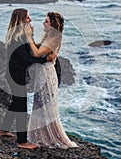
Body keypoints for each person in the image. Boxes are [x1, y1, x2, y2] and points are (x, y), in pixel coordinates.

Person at [0, 8, 54, 149]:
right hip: (15, 75)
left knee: (16, 103)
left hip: (14, 73)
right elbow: (27, 59)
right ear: (21, 20)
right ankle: (22, 141)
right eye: (28, 18)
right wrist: (45, 59)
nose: (30, 20)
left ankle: (3, 130)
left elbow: (30, 52)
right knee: (21, 106)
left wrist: (35, 39)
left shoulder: (19, 35)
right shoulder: (18, 38)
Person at [24, 12, 78, 149]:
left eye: (46, 21)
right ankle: (41, 136)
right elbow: (36, 49)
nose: (43, 23)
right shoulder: (49, 37)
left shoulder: (54, 39)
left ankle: (52, 137)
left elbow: (36, 53)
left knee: (46, 107)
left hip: (47, 75)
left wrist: (29, 37)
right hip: (42, 74)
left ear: (53, 24)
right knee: (38, 106)